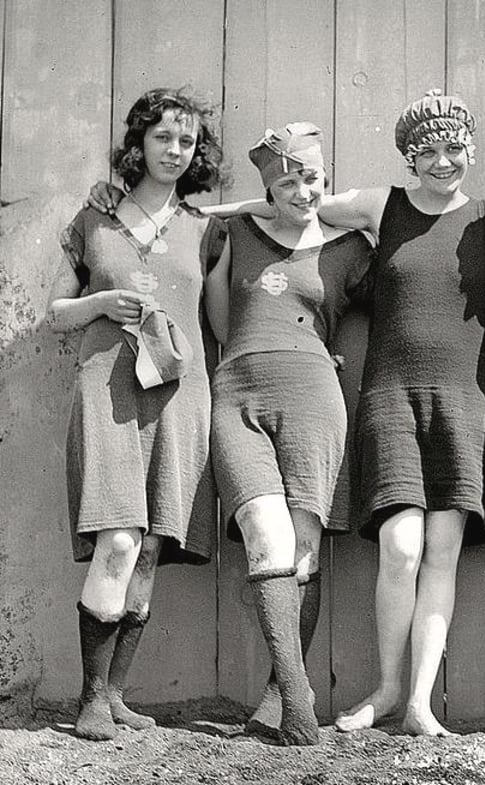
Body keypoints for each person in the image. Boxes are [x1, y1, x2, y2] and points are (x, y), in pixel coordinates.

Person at [300, 90, 485, 737]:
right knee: (400, 549)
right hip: (390, 397)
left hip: (463, 402)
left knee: (441, 552)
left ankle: (419, 703)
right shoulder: (382, 205)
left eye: (454, 149)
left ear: (469, 151)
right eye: (428, 152)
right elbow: (297, 202)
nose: (442, 161)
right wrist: (205, 212)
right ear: (409, 158)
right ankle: (388, 686)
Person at [46, 87, 225, 741]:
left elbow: (224, 325)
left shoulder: (207, 229)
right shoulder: (95, 220)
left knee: (149, 549)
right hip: (109, 391)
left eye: (187, 141)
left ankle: (117, 694)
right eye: (162, 138)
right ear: (138, 144)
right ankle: (91, 698)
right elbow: (55, 313)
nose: (174, 150)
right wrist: (100, 303)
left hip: (180, 396)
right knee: (118, 539)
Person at [203, 123, 373, 745]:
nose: (303, 193)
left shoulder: (350, 248)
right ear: (267, 190)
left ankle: (279, 696)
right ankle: (301, 698)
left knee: (302, 546)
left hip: (314, 396)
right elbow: (221, 321)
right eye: (287, 183)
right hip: (238, 391)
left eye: (312, 179)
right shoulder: (236, 234)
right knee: (262, 533)